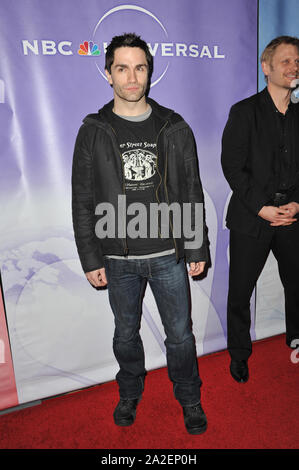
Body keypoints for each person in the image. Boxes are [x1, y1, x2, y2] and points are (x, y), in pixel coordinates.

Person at [72, 33, 209, 434]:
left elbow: (190, 188)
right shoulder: (93, 130)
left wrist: (195, 242)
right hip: (117, 257)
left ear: (149, 72)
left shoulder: (173, 126)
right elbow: (83, 198)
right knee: (125, 334)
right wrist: (90, 257)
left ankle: (189, 398)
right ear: (108, 74)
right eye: (122, 68)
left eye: (140, 67)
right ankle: (129, 390)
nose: (132, 77)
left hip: (168, 252)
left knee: (180, 335)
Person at [221, 36, 299, 383]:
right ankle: (239, 354)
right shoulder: (244, 111)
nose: (293, 67)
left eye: (297, 61)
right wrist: (262, 208)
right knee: (240, 290)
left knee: (297, 283)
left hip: (293, 216)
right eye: (285, 61)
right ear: (266, 68)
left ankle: (296, 337)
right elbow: (232, 167)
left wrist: (298, 203)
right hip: (252, 219)